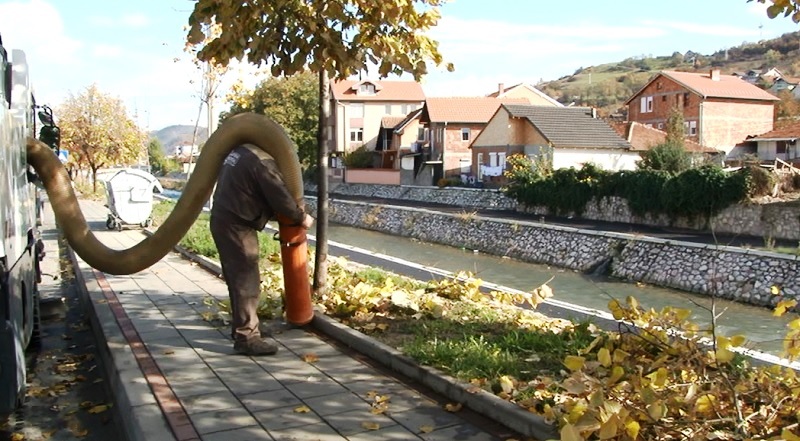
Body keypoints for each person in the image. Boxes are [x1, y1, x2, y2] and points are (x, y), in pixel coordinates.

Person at [210, 144, 314, 356]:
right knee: (246, 281)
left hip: (224, 218)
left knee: (237, 280)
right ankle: (247, 338)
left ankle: (245, 327)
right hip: (236, 225)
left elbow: (252, 191)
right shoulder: (263, 164)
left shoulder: (242, 152)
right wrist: (301, 217)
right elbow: (280, 198)